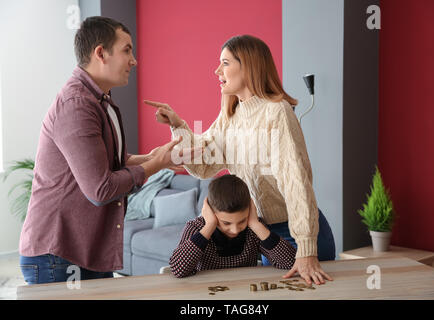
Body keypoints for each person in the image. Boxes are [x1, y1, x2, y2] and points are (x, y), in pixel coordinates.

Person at [146, 34, 335, 286]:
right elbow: (203, 165)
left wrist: (307, 248)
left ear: (247, 66)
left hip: (297, 233)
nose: (217, 70)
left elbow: (296, 183)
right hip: (265, 234)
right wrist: (179, 125)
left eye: (225, 63)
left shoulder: (276, 112)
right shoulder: (231, 116)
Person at [18, 17, 194, 284]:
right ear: (100, 53)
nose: (134, 61)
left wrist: (151, 157)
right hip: (58, 257)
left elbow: (106, 160)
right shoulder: (77, 104)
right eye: (127, 50)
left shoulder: (97, 99)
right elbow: (100, 189)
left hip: (84, 252)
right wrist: (156, 164)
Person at [170, 174, 296, 278]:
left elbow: (290, 263)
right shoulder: (196, 228)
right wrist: (210, 225)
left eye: (242, 221)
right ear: (210, 212)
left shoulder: (254, 228)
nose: (235, 230)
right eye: (226, 223)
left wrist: (255, 224)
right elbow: (178, 270)